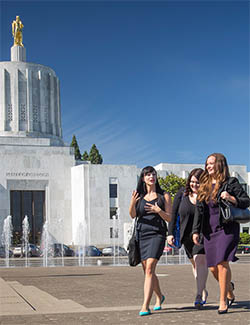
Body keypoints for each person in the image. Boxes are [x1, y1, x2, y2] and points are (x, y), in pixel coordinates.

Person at [192, 153, 250, 314]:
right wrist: (195, 231)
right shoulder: (204, 185)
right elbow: (198, 211)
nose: (208, 166)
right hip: (209, 231)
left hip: (226, 228)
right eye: (207, 164)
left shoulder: (231, 182)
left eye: (211, 163)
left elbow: (246, 200)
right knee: (212, 268)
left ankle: (223, 300)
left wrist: (231, 198)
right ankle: (229, 289)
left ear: (220, 164)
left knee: (222, 262)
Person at [129, 166, 172, 316]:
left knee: (149, 269)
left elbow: (169, 218)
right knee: (148, 271)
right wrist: (132, 203)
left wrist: (158, 211)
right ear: (143, 178)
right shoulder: (138, 196)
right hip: (141, 235)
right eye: (148, 174)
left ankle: (145, 306)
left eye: (153, 174)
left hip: (157, 234)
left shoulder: (163, 195)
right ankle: (160, 297)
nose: (151, 176)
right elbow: (133, 215)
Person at [167, 168, 208, 309]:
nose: (194, 185)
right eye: (192, 182)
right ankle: (202, 289)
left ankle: (198, 294)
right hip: (186, 236)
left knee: (200, 260)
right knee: (195, 265)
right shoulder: (181, 194)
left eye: (197, 182)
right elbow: (173, 215)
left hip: (202, 235)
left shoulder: (206, 196)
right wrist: (170, 233)